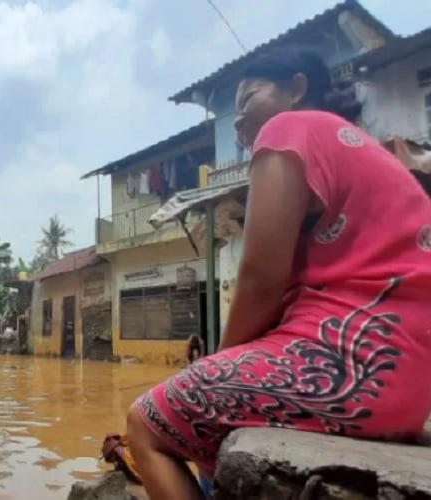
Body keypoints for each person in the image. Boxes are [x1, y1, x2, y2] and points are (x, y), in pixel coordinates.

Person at [127, 49, 431, 500]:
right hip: (407, 386)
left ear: (297, 88)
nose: (238, 120)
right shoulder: (359, 145)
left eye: (247, 100)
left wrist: (218, 364)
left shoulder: (288, 129)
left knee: (144, 422)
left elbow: (260, 280)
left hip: (350, 367)